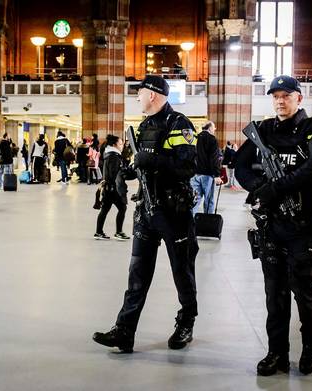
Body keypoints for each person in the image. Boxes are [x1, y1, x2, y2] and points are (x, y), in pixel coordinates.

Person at [234, 75, 312, 376]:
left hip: (303, 225)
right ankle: (277, 353)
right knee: (274, 293)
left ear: (299, 98)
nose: (280, 101)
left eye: (287, 96)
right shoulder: (263, 131)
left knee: (304, 291)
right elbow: (240, 166)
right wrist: (258, 187)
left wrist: (279, 187)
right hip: (271, 225)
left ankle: (311, 347)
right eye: (276, 96)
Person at [93, 75, 199, 353]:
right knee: (137, 273)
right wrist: (125, 173)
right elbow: (140, 165)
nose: (137, 97)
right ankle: (125, 331)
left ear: (152, 94)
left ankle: (186, 323)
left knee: (182, 271)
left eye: (139, 92)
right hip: (146, 210)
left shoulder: (179, 124)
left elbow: (188, 167)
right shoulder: (144, 126)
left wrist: (153, 160)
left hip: (173, 211)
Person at [94, 135, 133, 240]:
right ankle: (119, 232)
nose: (122, 146)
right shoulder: (114, 157)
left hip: (108, 187)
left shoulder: (109, 154)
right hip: (113, 188)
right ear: (114, 145)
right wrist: (126, 172)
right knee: (122, 208)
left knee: (105, 210)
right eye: (120, 144)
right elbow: (114, 174)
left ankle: (99, 232)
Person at [191, 121, 223, 215]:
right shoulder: (211, 139)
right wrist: (217, 175)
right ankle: (207, 221)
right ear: (209, 128)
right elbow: (214, 159)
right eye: (214, 127)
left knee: (195, 199)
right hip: (207, 175)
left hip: (195, 174)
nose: (215, 129)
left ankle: (190, 221)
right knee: (209, 200)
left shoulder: (195, 138)